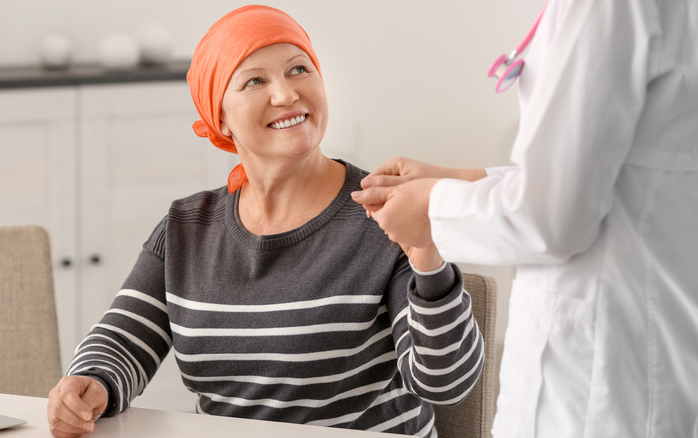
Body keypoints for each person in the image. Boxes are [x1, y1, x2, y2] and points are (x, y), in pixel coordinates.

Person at [46, 5, 484, 438]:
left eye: (298, 70)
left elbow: (447, 384)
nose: (285, 94)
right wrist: (89, 381)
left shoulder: (386, 214)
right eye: (255, 80)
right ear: (219, 117)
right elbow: (122, 340)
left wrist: (426, 253)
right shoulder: (186, 227)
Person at [351, 1, 698, 437]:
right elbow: (591, 176)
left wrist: (433, 210)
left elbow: (553, 216)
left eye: (299, 70)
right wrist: (460, 179)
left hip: (602, 383)